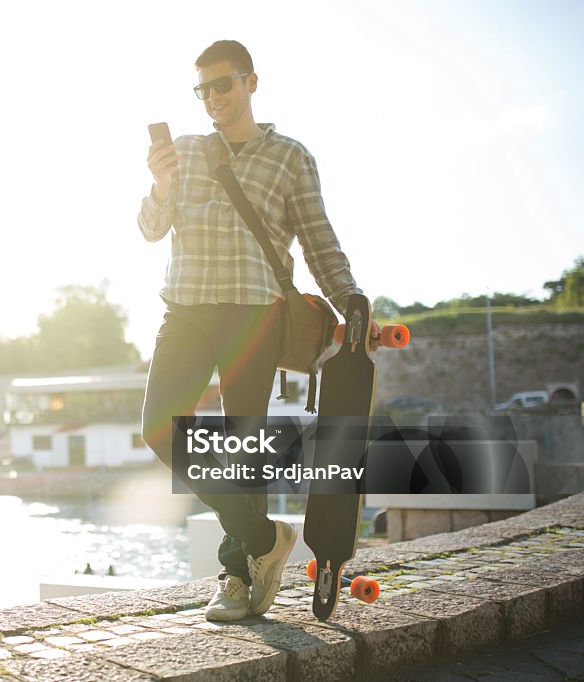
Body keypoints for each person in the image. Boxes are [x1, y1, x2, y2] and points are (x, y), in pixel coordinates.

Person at [138, 40, 371, 622]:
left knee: (242, 448)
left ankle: (237, 576)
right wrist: (161, 187)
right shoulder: (184, 152)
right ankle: (267, 541)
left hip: (254, 312)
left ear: (251, 83)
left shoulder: (289, 156)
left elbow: (318, 240)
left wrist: (351, 300)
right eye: (204, 89)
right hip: (186, 307)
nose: (214, 98)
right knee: (159, 429)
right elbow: (149, 228)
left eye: (224, 85)